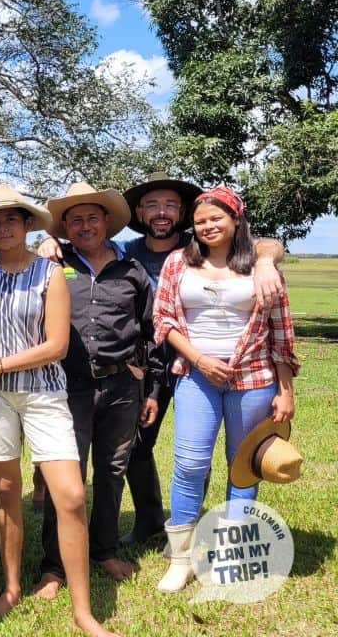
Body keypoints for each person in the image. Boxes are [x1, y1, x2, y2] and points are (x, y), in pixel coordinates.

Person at [38, 172, 286, 546]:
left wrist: (266, 260)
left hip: (197, 366)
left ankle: (197, 522)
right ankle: (150, 518)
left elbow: (264, 244)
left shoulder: (200, 242)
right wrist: (46, 240)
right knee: (136, 444)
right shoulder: (127, 252)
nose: (161, 212)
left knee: (197, 450)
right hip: (147, 365)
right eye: (152, 205)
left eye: (170, 204)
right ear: (139, 212)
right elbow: (83, 243)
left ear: (182, 212)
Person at [0, 184, 120, 637]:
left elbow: (56, 345)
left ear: (28, 225)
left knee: (69, 495)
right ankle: (10, 588)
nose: (3, 227)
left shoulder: (51, 274)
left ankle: (84, 612)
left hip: (43, 394)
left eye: (12, 219)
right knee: (6, 490)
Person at [151, 186, 297, 592]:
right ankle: (180, 558)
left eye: (216, 218)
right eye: (200, 221)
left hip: (253, 379)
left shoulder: (262, 268)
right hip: (197, 377)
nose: (208, 226)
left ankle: (232, 553)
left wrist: (286, 390)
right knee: (190, 463)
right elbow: (163, 320)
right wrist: (198, 359)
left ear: (236, 221)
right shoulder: (178, 263)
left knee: (243, 464)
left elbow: (281, 333)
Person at [34, 182, 152, 599]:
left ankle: (104, 549)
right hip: (68, 386)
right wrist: (44, 242)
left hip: (122, 386)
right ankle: (54, 567)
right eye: (75, 219)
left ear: (107, 222)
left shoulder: (133, 270)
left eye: (92, 217)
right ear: (64, 227)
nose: (85, 225)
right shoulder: (49, 264)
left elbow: (150, 332)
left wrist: (149, 390)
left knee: (112, 472)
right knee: (63, 478)